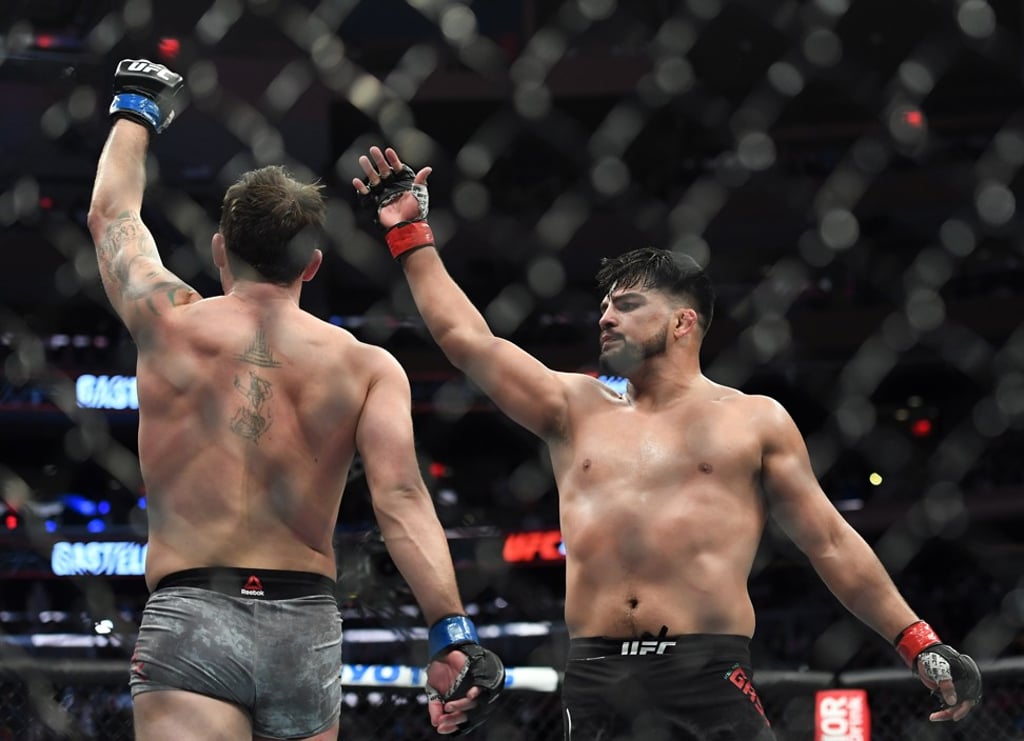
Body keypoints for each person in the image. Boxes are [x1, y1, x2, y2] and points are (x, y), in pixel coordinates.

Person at [353, 146, 983, 740]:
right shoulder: (572, 406)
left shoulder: (753, 420)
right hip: (597, 675)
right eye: (604, 307)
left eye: (626, 305)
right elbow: (469, 341)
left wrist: (917, 640)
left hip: (707, 674)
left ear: (683, 322)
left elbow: (829, 540)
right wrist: (410, 236)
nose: (605, 318)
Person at [87, 62, 504, 741]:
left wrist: (137, 106)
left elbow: (112, 213)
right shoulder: (366, 365)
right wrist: (451, 630)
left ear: (220, 248)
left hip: (194, 606)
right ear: (312, 264)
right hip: (304, 622)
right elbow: (400, 499)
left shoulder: (168, 322)